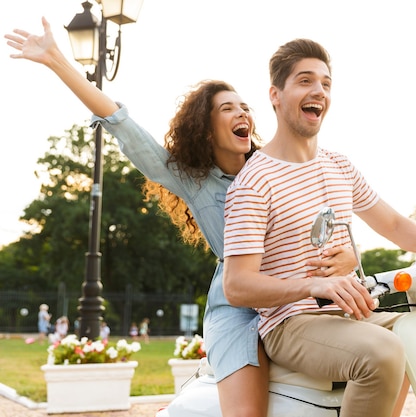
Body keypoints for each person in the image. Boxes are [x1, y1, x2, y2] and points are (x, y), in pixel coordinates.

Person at [5, 19, 356, 417]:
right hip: (239, 309)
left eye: (245, 107)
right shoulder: (193, 181)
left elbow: (330, 229)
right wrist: (56, 60)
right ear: (206, 130)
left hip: (302, 299)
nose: (242, 113)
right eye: (228, 109)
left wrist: (346, 260)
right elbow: (125, 126)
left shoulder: (279, 167)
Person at [222, 38, 416, 417]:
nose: (318, 91)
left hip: (359, 311)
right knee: (383, 352)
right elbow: (237, 285)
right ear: (275, 95)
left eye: (326, 84)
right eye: (305, 81)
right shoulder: (254, 182)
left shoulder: (340, 166)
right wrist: (314, 284)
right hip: (292, 321)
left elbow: (393, 224)